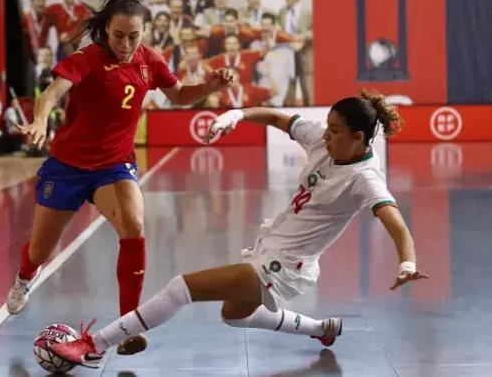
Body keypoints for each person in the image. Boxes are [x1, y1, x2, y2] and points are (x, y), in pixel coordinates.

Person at [49, 90, 430, 368]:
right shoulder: (323, 140)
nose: (325, 135)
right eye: (327, 128)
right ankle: (321, 328)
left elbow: (396, 223)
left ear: (359, 138)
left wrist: (407, 262)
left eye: (334, 131)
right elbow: (279, 118)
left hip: (287, 265)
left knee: (181, 287)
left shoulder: (365, 179)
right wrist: (237, 114)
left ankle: (95, 345)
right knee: (234, 315)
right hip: (271, 248)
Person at [6, 0, 236, 356]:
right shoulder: (88, 58)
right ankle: (25, 276)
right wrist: (38, 120)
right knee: (40, 250)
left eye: (134, 35)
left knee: (134, 226)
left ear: (144, 31)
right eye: (118, 35)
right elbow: (51, 93)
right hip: (67, 167)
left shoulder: (150, 61)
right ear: (105, 30)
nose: (126, 44)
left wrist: (209, 87)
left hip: (113, 166)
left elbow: (177, 96)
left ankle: (128, 324)